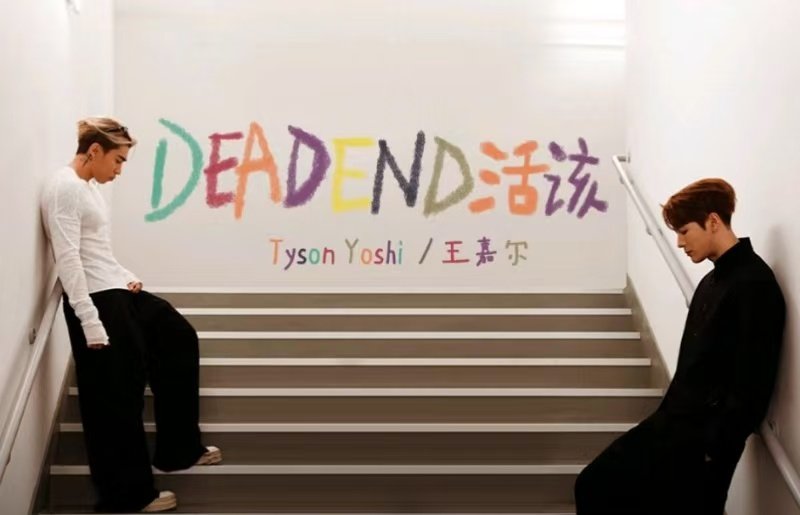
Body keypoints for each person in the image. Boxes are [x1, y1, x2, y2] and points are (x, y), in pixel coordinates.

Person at [41, 117, 222, 513]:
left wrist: (123, 275)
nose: (120, 170)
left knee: (177, 336)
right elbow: (68, 258)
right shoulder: (64, 188)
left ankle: (178, 449)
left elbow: (95, 250)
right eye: (118, 160)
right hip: (95, 301)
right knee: (116, 394)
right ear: (94, 151)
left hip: (116, 290)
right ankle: (127, 496)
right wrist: (89, 321)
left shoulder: (89, 188)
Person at [574, 178, 786, 514]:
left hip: (704, 442)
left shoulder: (754, 283)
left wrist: (715, 446)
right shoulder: (710, 281)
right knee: (595, 483)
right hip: (673, 424)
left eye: (685, 231)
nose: (679, 242)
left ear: (713, 221)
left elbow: (754, 380)